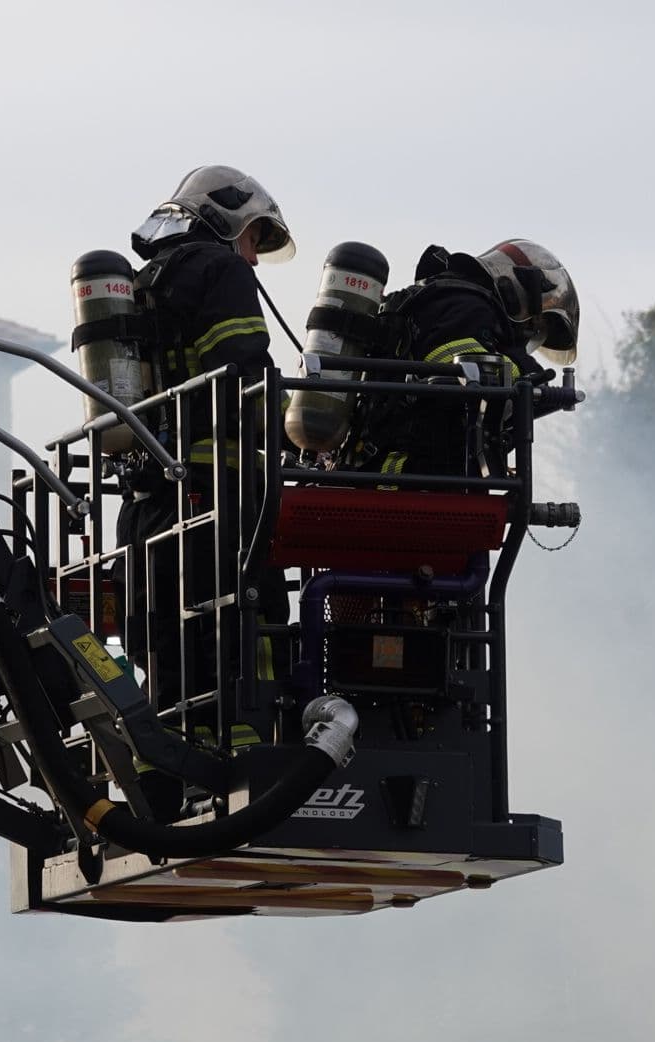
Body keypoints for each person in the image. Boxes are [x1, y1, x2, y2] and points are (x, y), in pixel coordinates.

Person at [117, 166, 294, 814]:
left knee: (164, 638)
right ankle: (257, 762)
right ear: (226, 220)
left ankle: (161, 776)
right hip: (218, 495)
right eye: (254, 240)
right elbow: (246, 374)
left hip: (147, 503)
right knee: (256, 626)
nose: (253, 257)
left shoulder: (143, 281)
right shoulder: (220, 272)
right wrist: (299, 427)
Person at [346, 239, 579, 479]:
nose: (527, 334)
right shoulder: (466, 304)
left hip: (387, 466)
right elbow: (461, 365)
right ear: (517, 287)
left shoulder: (438, 298)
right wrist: (526, 370)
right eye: (533, 325)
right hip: (408, 475)